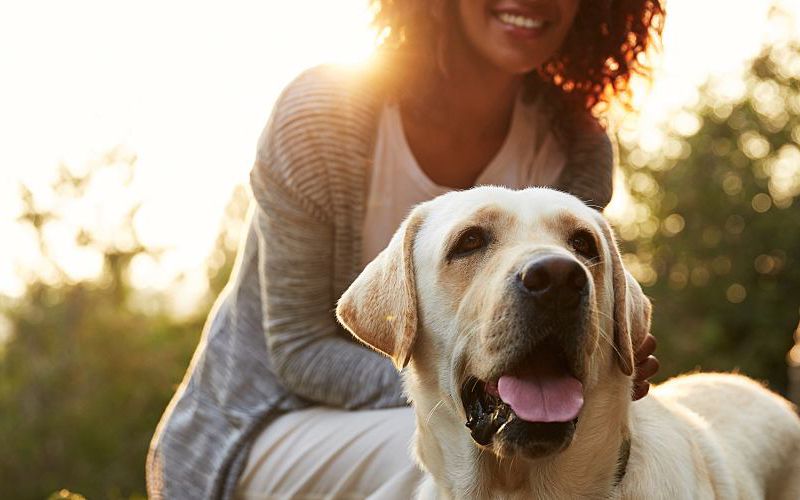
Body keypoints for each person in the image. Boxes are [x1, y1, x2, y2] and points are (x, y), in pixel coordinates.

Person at [147, 1, 664, 498]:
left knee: (624, 450)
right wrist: (452, 384)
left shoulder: (578, 145)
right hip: (263, 422)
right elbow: (299, 351)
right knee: (444, 460)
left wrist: (597, 351)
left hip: (487, 413)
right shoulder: (322, 114)